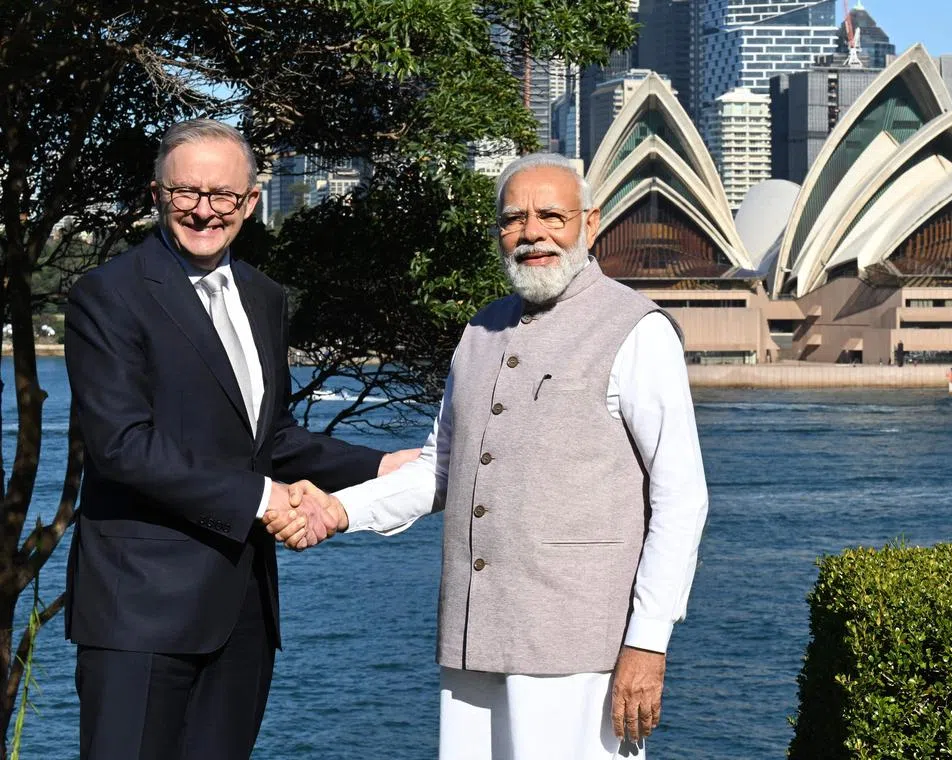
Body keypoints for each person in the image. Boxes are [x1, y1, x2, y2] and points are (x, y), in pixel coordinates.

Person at [267, 153, 709, 759]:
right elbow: (438, 469)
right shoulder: (480, 331)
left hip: (581, 647)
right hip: (473, 638)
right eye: (514, 219)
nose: (533, 233)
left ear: (591, 223)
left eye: (552, 215)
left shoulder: (637, 330)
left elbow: (681, 497)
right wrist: (335, 512)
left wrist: (649, 641)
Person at [64, 119, 416, 760]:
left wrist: (382, 465)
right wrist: (263, 500)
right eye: (186, 193)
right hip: (139, 614)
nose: (204, 210)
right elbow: (121, 445)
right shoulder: (107, 296)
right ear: (156, 195)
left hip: (244, 612)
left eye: (223, 195)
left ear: (250, 202)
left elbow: (270, 437)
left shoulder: (263, 296)